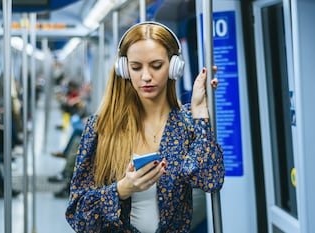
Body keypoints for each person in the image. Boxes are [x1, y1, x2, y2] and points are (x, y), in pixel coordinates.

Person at [65, 21, 224, 232]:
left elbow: (209, 180)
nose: (146, 76)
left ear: (174, 66)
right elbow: (78, 215)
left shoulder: (187, 123)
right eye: (136, 67)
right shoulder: (102, 127)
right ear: (124, 69)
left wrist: (200, 111)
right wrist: (122, 189)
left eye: (156, 66)